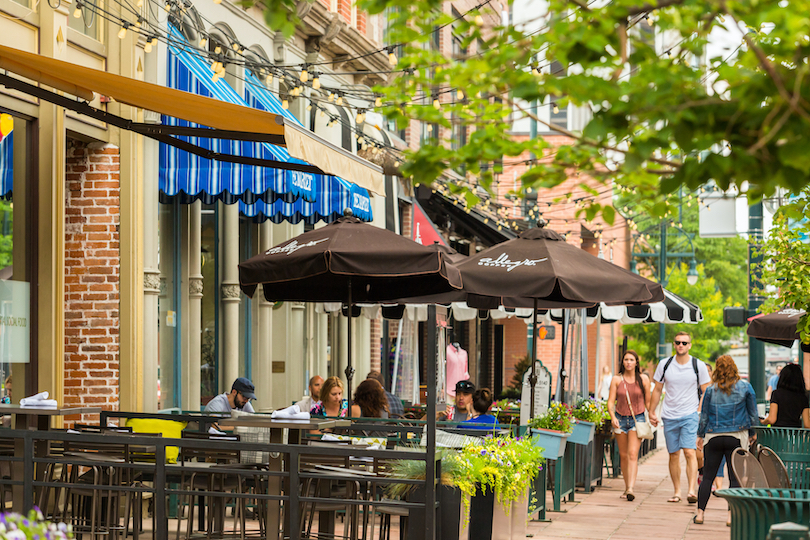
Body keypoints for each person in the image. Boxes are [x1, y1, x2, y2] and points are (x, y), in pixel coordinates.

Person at [693, 355, 758, 525]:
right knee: (735, 479)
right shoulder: (746, 387)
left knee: (707, 477)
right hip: (736, 437)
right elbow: (752, 414)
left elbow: (704, 416)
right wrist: (752, 433)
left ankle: (700, 514)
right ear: (734, 368)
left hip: (713, 437)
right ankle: (730, 516)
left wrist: (700, 435)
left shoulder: (710, 390)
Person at [649, 331, 711, 504]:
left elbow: (707, 390)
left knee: (690, 452)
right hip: (669, 415)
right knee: (673, 454)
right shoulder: (665, 364)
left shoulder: (697, 365)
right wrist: (651, 411)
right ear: (674, 344)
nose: (681, 345)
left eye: (684, 343)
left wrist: (699, 410)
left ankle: (691, 490)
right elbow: (657, 389)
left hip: (690, 414)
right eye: (678, 342)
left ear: (690, 345)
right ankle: (677, 491)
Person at [607, 350, 651, 502]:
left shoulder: (643, 379)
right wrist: (613, 417)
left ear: (636, 362)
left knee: (633, 454)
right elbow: (610, 402)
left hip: (637, 419)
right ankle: (627, 487)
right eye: (626, 359)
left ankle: (631, 488)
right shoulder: (616, 379)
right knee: (624, 456)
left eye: (631, 359)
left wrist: (651, 415)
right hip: (620, 419)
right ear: (623, 362)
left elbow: (649, 401)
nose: (628, 362)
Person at [760, 363, 810, 428]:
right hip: (794, 434)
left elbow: (771, 419)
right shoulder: (803, 397)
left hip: (778, 435)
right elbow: (807, 424)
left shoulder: (776, 394)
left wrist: (763, 421)